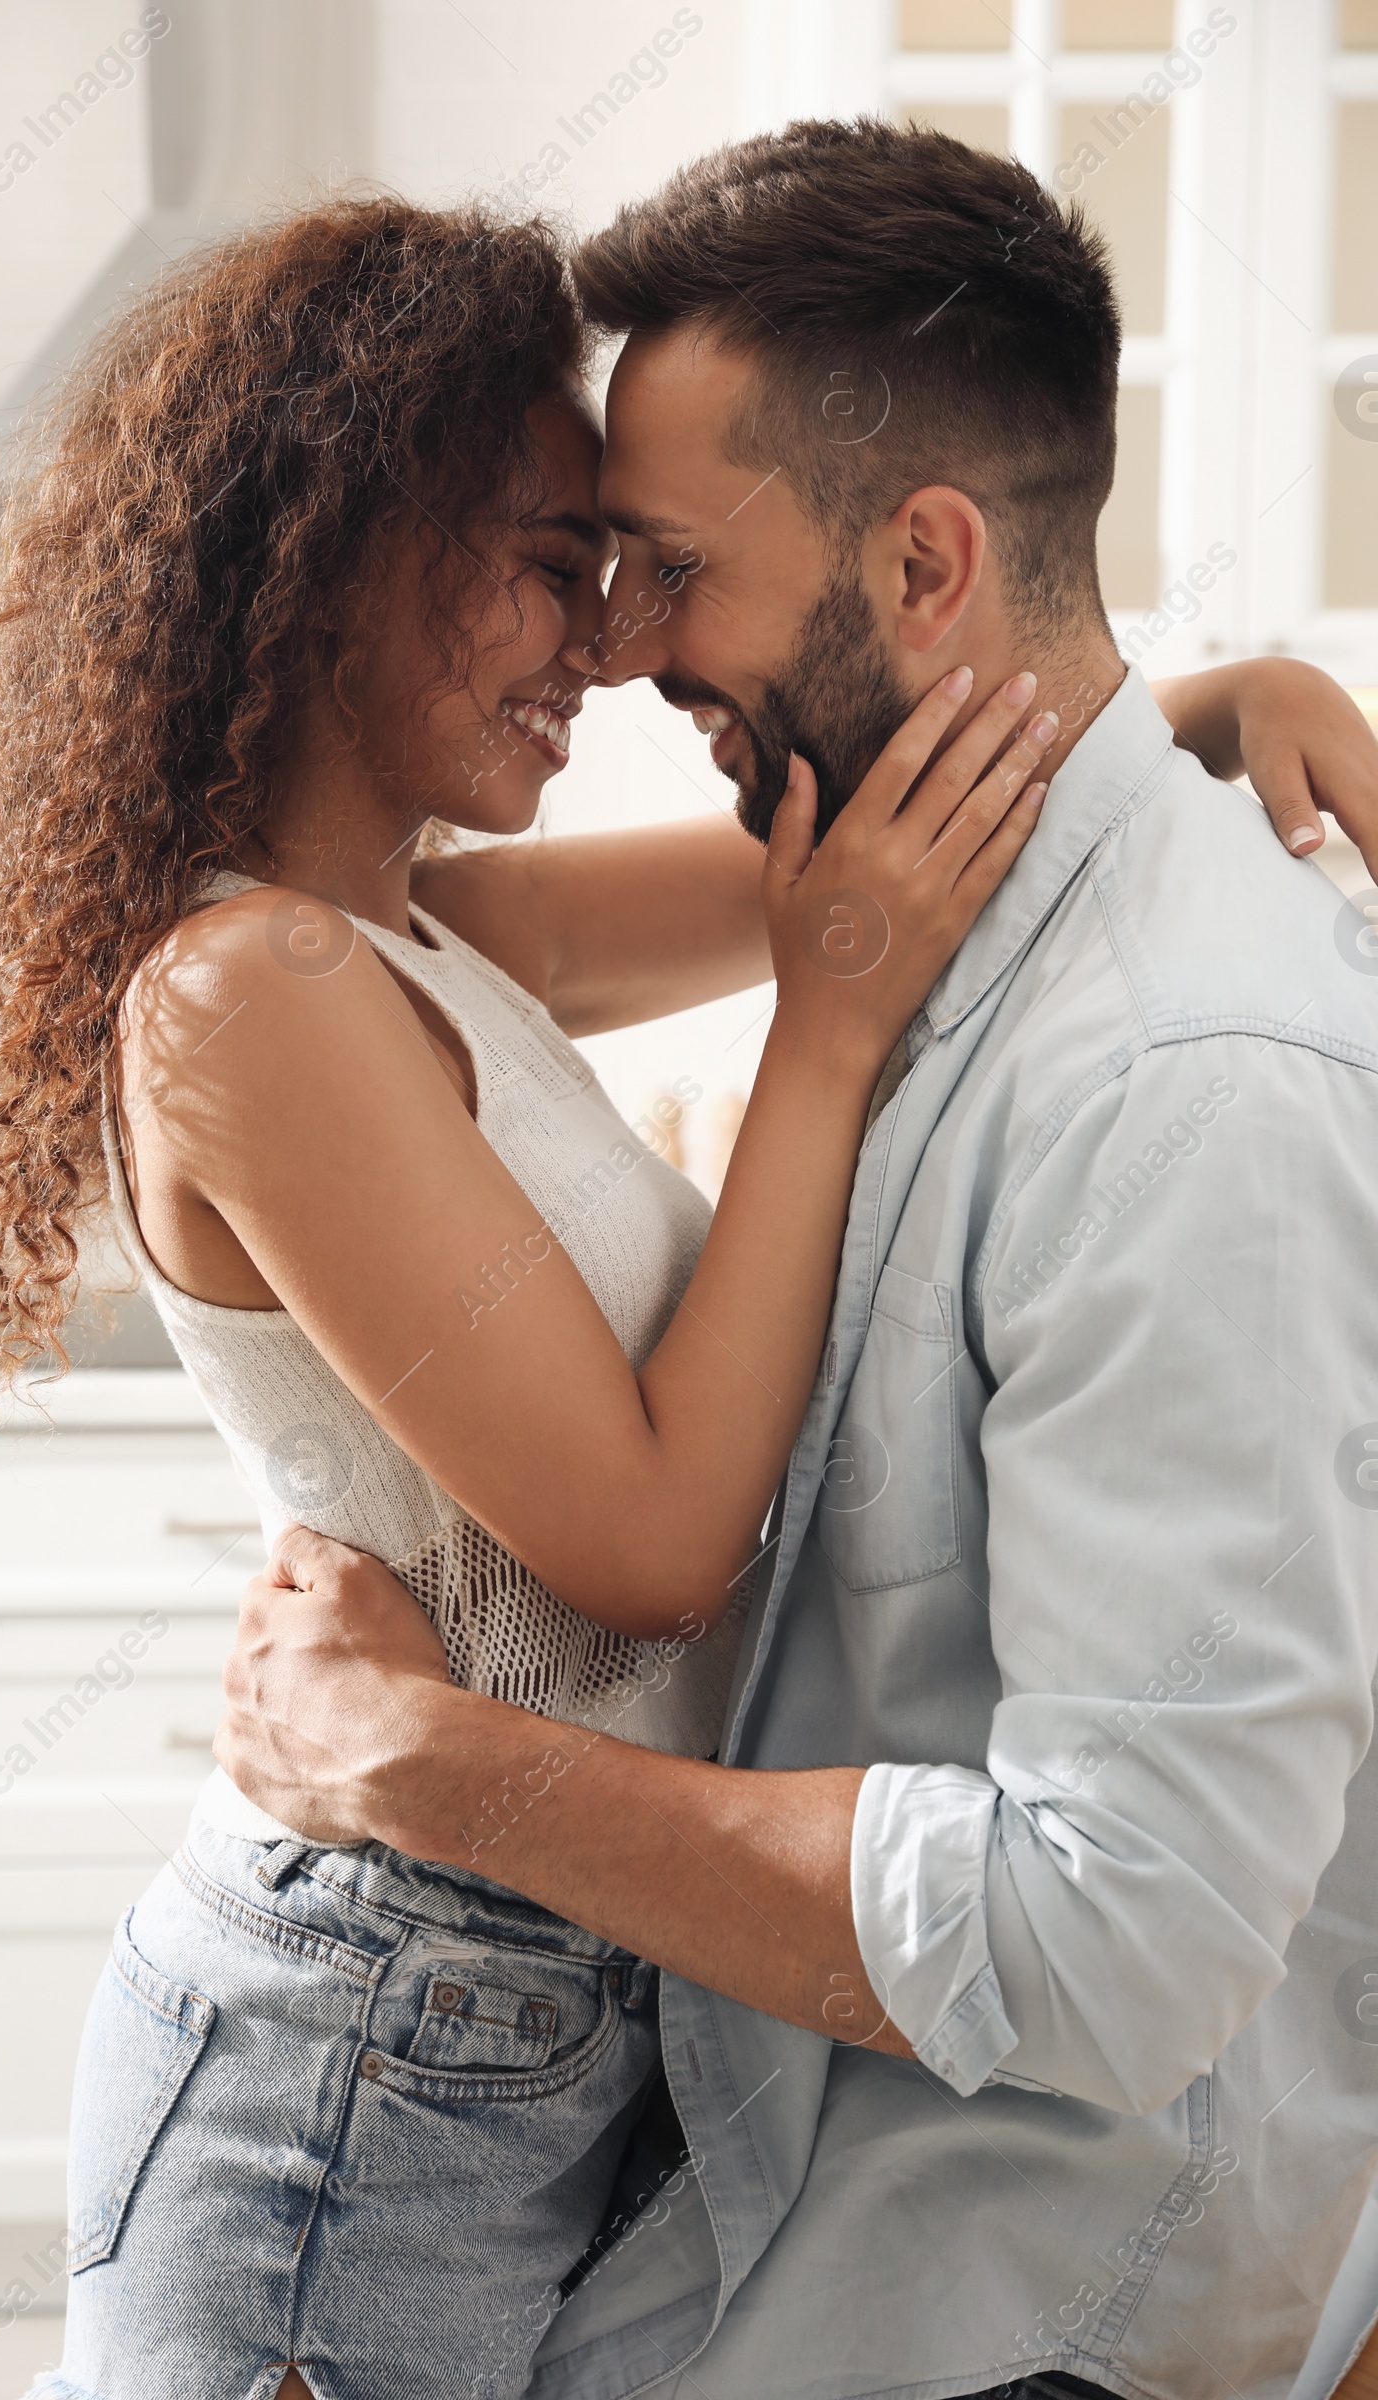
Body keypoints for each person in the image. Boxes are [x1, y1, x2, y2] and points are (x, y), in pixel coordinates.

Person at [213, 125, 1378, 2400]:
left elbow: (1114, 1941)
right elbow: (487, 935)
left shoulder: (1178, 1085)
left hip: (992, 2295)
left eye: (654, 566)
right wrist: (1174, 705)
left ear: (924, 564)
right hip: (762, 2156)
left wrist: (419, 1763)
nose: (617, 641)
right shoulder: (934, 903)